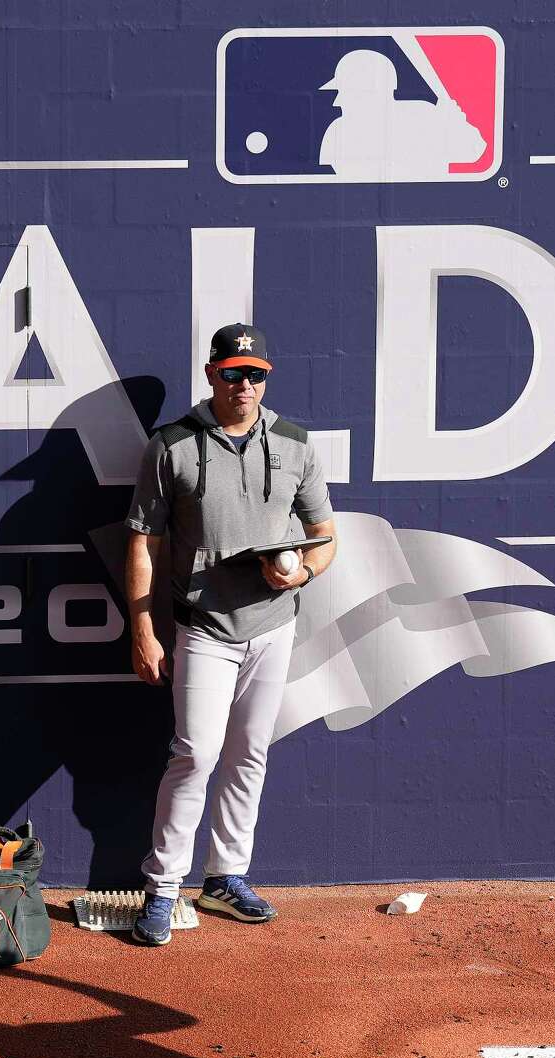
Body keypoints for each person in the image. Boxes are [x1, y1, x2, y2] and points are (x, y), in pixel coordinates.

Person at [124, 324, 337, 945]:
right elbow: (143, 542)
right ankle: (163, 885)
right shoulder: (172, 445)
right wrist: (142, 626)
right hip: (203, 627)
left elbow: (324, 535)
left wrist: (300, 574)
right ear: (211, 373)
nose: (244, 384)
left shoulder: (295, 444)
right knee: (195, 754)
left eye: (256, 374)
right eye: (232, 372)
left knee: (250, 753)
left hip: (273, 627)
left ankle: (226, 876)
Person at [317, 49, 486, 182]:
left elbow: (474, 151)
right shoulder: (339, 130)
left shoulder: (425, 115)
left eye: (345, 92)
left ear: (370, 93)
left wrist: (455, 125)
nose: (337, 102)